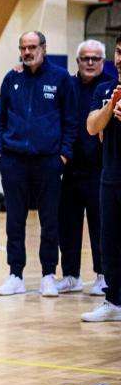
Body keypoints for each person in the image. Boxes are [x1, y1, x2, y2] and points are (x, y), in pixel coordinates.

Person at [0, 31, 77, 297]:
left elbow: (71, 120)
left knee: (49, 220)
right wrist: (0, 150)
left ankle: (48, 275)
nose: (27, 52)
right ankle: (15, 275)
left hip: (48, 161)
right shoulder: (12, 78)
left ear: (44, 48)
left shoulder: (60, 78)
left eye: (32, 47)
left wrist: (63, 155)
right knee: (14, 220)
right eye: (23, 48)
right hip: (14, 160)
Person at [58, 40, 110, 295]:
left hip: (100, 169)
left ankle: (103, 275)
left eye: (95, 58)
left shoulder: (110, 88)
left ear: (103, 61)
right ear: (77, 61)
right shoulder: (67, 85)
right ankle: (71, 275)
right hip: (70, 168)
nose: (90, 62)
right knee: (68, 223)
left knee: (101, 225)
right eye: (85, 58)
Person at [83, 37, 121, 321]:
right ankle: (113, 301)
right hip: (110, 176)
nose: (120, 59)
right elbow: (91, 126)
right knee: (109, 241)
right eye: (119, 52)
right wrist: (111, 107)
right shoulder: (105, 89)